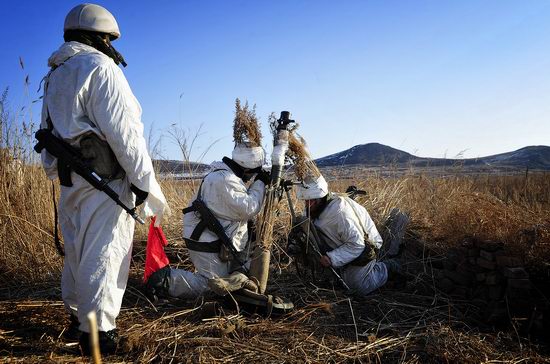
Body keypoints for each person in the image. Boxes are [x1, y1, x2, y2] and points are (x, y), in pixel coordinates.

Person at [39, 3, 169, 355]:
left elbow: (46, 134)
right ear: (100, 36)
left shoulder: (56, 74)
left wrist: (58, 172)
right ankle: (99, 333)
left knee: (78, 252)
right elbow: (125, 134)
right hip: (106, 182)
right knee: (106, 253)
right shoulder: (100, 67)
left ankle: (78, 318)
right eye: (109, 38)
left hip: (73, 180)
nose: (112, 45)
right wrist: (144, 185)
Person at [146, 145, 270, 299]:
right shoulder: (224, 180)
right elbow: (248, 207)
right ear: (248, 170)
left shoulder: (223, 174)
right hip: (206, 240)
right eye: (252, 175)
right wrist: (260, 184)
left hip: (208, 237)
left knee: (231, 278)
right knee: (213, 287)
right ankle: (165, 280)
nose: (250, 179)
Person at [294, 174, 399, 296]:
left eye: (310, 201)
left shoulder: (339, 212)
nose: (307, 204)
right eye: (305, 201)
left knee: (358, 287)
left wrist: (332, 258)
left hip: (365, 248)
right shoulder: (314, 207)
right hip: (341, 244)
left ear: (320, 198)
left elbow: (357, 244)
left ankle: (388, 268)